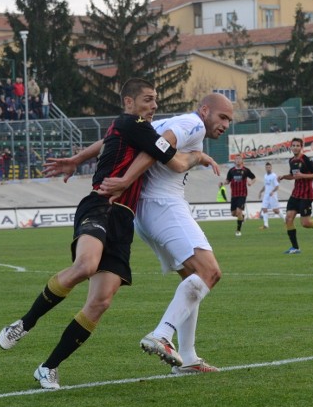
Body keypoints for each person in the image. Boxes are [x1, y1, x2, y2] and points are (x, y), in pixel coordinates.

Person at [0, 78, 218, 390]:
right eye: (146, 100)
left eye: (155, 100)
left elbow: (109, 142)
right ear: (129, 102)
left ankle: (48, 367)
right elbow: (178, 161)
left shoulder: (140, 128)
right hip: (100, 205)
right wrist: (198, 157)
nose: (153, 106)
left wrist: (77, 159)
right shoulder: (137, 124)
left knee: (101, 301)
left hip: (124, 220)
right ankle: (24, 323)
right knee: (85, 266)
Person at [59, 93, 235, 374]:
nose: (226, 124)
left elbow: (115, 138)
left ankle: (188, 358)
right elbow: (158, 147)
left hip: (145, 212)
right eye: (222, 117)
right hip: (163, 205)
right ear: (204, 110)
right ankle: (162, 334)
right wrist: (126, 179)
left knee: (192, 279)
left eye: (229, 120)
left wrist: (78, 159)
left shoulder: (165, 122)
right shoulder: (193, 124)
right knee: (209, 272)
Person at [280, 138, 313, 254]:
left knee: (305, 223)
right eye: (293, 145)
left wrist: (302, 175)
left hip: (306, 195)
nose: (295, 147)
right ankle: (295, 248)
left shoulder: (306, 159)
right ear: (291, 147)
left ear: (301, 147)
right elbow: (294, 176)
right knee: (288, 218)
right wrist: (284, 177)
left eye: (297, 145)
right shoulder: (291, 161)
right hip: (295, 194)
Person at [224, 157, 255, 236]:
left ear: (242, 161)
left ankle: (238, 230)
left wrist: (251, 183)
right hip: (234, 195)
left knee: (238, 211)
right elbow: (227, 180)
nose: (238, 160)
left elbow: (254, 178)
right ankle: (243, 216)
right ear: (234, 161)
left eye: (239, 159)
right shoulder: (231, 171)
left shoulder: (245, 170)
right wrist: (223, 183)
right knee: (233, 213)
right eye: (236, 159)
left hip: (242, 194)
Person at [258, 162, 285, 229]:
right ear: (265, 168)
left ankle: (285, 219)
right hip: (266, 195)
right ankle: (266, 225)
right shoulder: (265, 176)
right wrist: (260, 192)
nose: (268, 168)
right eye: (267, 167)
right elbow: (265, 185)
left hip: (272, 195)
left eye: (269, 167)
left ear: (271, 168)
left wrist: (272, 191)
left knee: (275, 210)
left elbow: (277, 186)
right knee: (264, 209)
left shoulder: (274, 176)